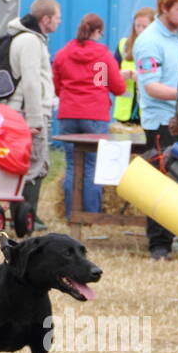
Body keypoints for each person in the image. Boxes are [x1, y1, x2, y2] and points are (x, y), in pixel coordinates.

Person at [132, 0, 178, 259]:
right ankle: (159, 243)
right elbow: (151, 86)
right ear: (164, 9)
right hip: (160, 123)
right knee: (161, 180)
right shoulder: (149, 41)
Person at [53, 13, 125, 217]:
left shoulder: (63, 54)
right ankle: (91, 214)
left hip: (68, 114)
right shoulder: (102, 57)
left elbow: (57, 85)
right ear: (97, 32)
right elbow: (117, 86)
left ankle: (71, 214)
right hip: (95, 115)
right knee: (92, 165)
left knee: (72, 165)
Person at [4, 0, 60, 231]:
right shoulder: (30, 41)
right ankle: (26, 218)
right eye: (57, 17)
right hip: (29, 113)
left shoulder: (31, 39)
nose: (59, 22)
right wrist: (35, 119)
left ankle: (27, 215)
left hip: (26, 111)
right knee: (34, 164)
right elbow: (31, 82)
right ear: (45, 19)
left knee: (34, 164)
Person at [113, 7, 153, 125]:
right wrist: (120, 75)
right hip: (124, 113)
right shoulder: (123, 45)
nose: (140, 30)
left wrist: (142, 78)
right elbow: (109, 75)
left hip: (146, 114)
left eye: (145, 27)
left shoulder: (156, 48)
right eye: (137, 26)